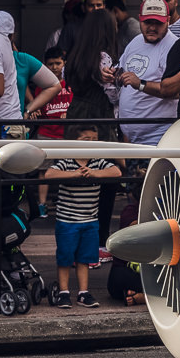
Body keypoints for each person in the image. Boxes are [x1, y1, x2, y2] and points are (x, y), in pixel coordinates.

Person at [41, 124, 119, 307]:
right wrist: (73, 174)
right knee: (65, 258)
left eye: (94, 139)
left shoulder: (98, 161)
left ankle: (84, 293)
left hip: (90, 220)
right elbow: (49, 174)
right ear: (74, 142)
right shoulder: (67, 161)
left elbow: (116, 171)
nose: (91, 143)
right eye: (86, 139)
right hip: (67, 221)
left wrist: (95, 173)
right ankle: (64, 292)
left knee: (85, 259)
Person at [105, 0, 180, 145]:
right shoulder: (137, 40)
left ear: (168, 21)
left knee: (170, 170)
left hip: (159, 137)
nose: (152, 27)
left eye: (158, 23)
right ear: (140, 19)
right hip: (130, 138)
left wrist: (139, 84)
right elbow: (122, 70)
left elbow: (174, 92)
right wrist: (111, 74)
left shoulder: (174, 47)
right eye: (147, 22)